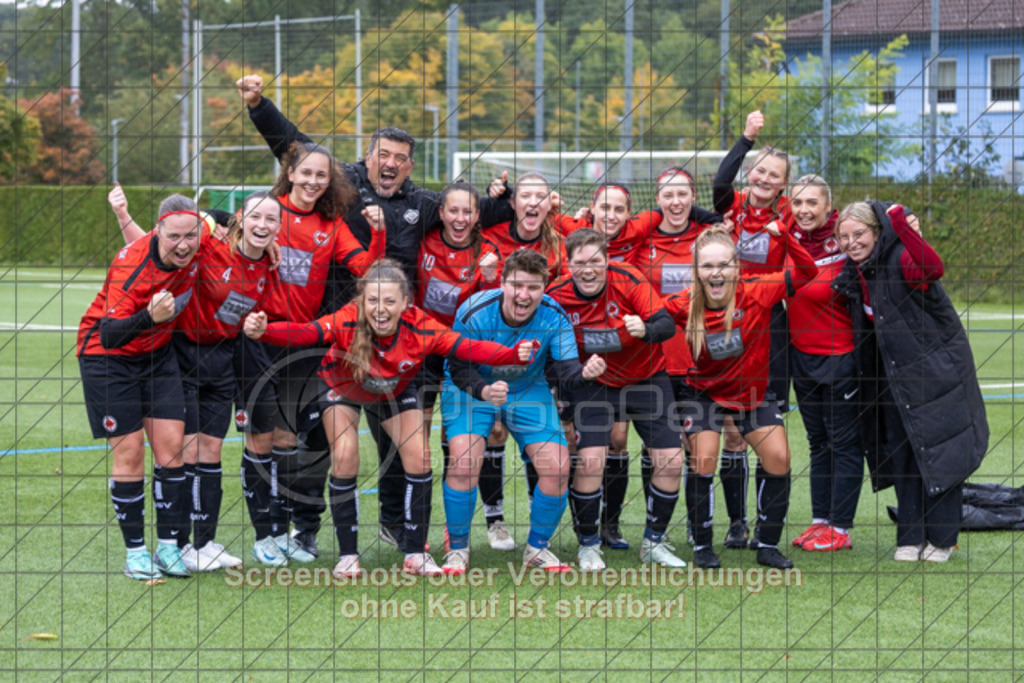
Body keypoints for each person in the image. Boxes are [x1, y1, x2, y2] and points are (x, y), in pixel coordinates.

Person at [236, 75, 514, 554]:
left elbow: (470, 214)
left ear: (409, 167)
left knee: (398, 441)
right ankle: (305, 529)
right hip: (333, 334)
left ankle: (394, 523)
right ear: (369, 157)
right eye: (383, 155)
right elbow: (293, 146)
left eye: (400, 159)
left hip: (399, 339)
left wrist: (505, 198)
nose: (390, 164)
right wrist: (259, 105)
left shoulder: (421, 204)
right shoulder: (342, 185)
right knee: (318, 439)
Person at [243, 259, 534, 577]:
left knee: (421, 458)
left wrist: (510, 354)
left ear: (406, 303)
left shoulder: (421, 326)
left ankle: (414, 553)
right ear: (361, 300)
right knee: (345, 455)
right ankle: (348, 556)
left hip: (394, 390)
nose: (380, 309)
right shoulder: (347, 320)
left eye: (389, 301)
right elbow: (305, 334)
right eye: (372, 300)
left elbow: (466, 347)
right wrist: (264, 331)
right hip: (343, 386)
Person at [107, 186, 285, 571]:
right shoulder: (207, 245)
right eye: (255, 216)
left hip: (221, 360)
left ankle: (204, 543)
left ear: (279, 228)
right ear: (239, 220)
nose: (262, 224)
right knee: (183, 453)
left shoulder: (268, 267)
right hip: (181, 355)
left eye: (271, 219)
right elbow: (161, 243)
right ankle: (177, 543)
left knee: (211, 451)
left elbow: (249, 312)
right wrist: (124, 217)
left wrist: (256, 323)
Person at [234, 141, 380, 566]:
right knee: (260, 438)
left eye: (322, 175)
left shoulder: (330, 226)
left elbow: (366, 267)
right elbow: (217, 232)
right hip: (258, 340)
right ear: (290, 172)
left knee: (289, 440)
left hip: (301, 344)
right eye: (306, 173)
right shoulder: (267, 212)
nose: (314, 181)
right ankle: (266, 534)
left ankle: (284, 531)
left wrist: (380, 231)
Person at [832, 202, 988, 562]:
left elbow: (933, 268)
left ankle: (942, 540)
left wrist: (901, 223)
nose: (852, 243)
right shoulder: (855, 271)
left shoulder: (901, 255)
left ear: (877, 232)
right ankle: (910, 537)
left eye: (860, 235)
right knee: (901, 453)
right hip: (892, 378)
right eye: (844, 237)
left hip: (936, 374)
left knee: (939, 452)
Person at [441, 249, 607, 574]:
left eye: (533, 287)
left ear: (544, 288)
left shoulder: (554, 315)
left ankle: (537, 549)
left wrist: (584, 374)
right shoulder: (474, 310)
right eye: (517, 285)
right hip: (473, 385)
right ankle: (458, 549)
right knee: (463, 460)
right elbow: (459, 366)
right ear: (502, 283)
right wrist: (485, 391)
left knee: (558, 466)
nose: (524, 295)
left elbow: (566, 369)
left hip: (527, 387)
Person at [664, 226, 817, 569]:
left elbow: (808, 272)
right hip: (703, 393)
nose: (715, 272)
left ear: (738, 268)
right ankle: (702, 546)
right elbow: (649, 318)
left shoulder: (759, 291)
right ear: (696, 271)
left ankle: (767, 544)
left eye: (723, 265)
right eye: (707, 266)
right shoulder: (683, 303)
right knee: (703, 459)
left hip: (752, 394)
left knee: (779, 457)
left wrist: (786, 236)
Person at [78, 194, 202, 580]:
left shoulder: (202, 239)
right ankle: (135, 553)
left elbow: (235, 223)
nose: (183, 245)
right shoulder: (130, 264)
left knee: (172, 449)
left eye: (191, 236)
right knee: (130, 454)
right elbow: (110, 333)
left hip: (157, 357)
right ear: (158, 232)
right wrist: (150, 315)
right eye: (174, 237)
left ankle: (168, 547)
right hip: (107, 358)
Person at [547, 229, 685, 569]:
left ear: (608, 261)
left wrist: (645, 330)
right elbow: (549, 350)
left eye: (596, 261)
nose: (589, 269)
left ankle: (653, 542)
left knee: (671, 459)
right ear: (568, 265)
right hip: (595, 384)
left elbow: (665, 323)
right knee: (592, 459)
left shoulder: (629, 279)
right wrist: (574, 373)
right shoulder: (557, 295)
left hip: (647, 379)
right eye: (580, 263)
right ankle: (589, 544)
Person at [711, 110, 794, 549]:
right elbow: (720, 184)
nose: (763, 178)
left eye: (773, 175)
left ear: (783, 185)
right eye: (759, 170)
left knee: (765, 429)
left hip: (770, 327)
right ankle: (736, 522)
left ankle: (767, 526)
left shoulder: (788, 218)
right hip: (726, 319)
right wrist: (746, 139)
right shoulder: (734, 207)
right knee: (729, 428)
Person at [784, 175, 864, 553]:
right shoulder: (787, 237)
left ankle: (842, 527)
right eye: (797, 202)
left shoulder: (845, 239)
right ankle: (821, 523)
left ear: (827, 206)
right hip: (803, 357)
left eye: (812, 202)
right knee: (818, 443)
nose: (804, 210)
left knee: (844, 443)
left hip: (842, 358)